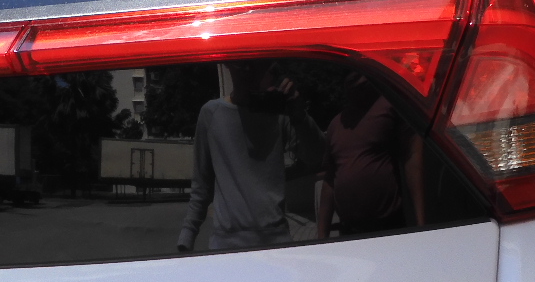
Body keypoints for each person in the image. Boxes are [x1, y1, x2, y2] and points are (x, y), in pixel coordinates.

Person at [177, 63, 324, 251]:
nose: (248, 69)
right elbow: (202, 184)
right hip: (227, 242)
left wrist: (299, 116)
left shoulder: (278, 111)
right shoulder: (211, 113)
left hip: (275, 239)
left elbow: (316, 157)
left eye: (255, 63)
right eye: (241, 64)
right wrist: (187, 237)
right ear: (228, 65)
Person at [316, 71, 424, 239]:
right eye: (345, 70)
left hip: (389, 227)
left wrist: (421, 223)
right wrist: (322, 236)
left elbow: (412, 157)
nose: (353, 76)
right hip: (350, 231)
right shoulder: (335, 125)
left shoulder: (390, 105)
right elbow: (330, 180)